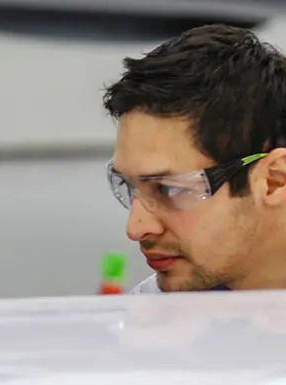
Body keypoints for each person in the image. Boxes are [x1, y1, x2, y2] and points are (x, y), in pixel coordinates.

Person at [103, 24, 286, 294]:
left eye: (169, 188)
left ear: (274, 180)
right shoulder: (153, 308)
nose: (136, 228)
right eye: (127, 186)